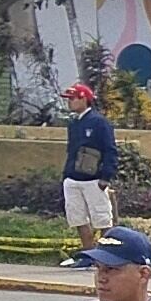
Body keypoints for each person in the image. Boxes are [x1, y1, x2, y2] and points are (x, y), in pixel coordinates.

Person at [58, 80, 116, 247]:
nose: (70, 102)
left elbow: (110, 149)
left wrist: (106, 176)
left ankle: (105, 253)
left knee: (102, 219)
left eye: (73, 98)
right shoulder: (74, 123)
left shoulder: (99, 122)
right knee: (77, 217)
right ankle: (88, 252)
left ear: (84, 99)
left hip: (93, 178)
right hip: (73, 177)